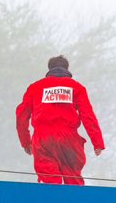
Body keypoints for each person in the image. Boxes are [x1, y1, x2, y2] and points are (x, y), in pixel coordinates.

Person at [16, 55, 105, 185]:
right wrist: (97, 142)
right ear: (67, 69)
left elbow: (21, 116)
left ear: (49, 69)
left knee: (50, 180)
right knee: (73, 179)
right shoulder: (77, 88)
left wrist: (25, 142)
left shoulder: (35, 88)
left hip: (43, 140)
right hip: (69, 140)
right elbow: (88, 116)